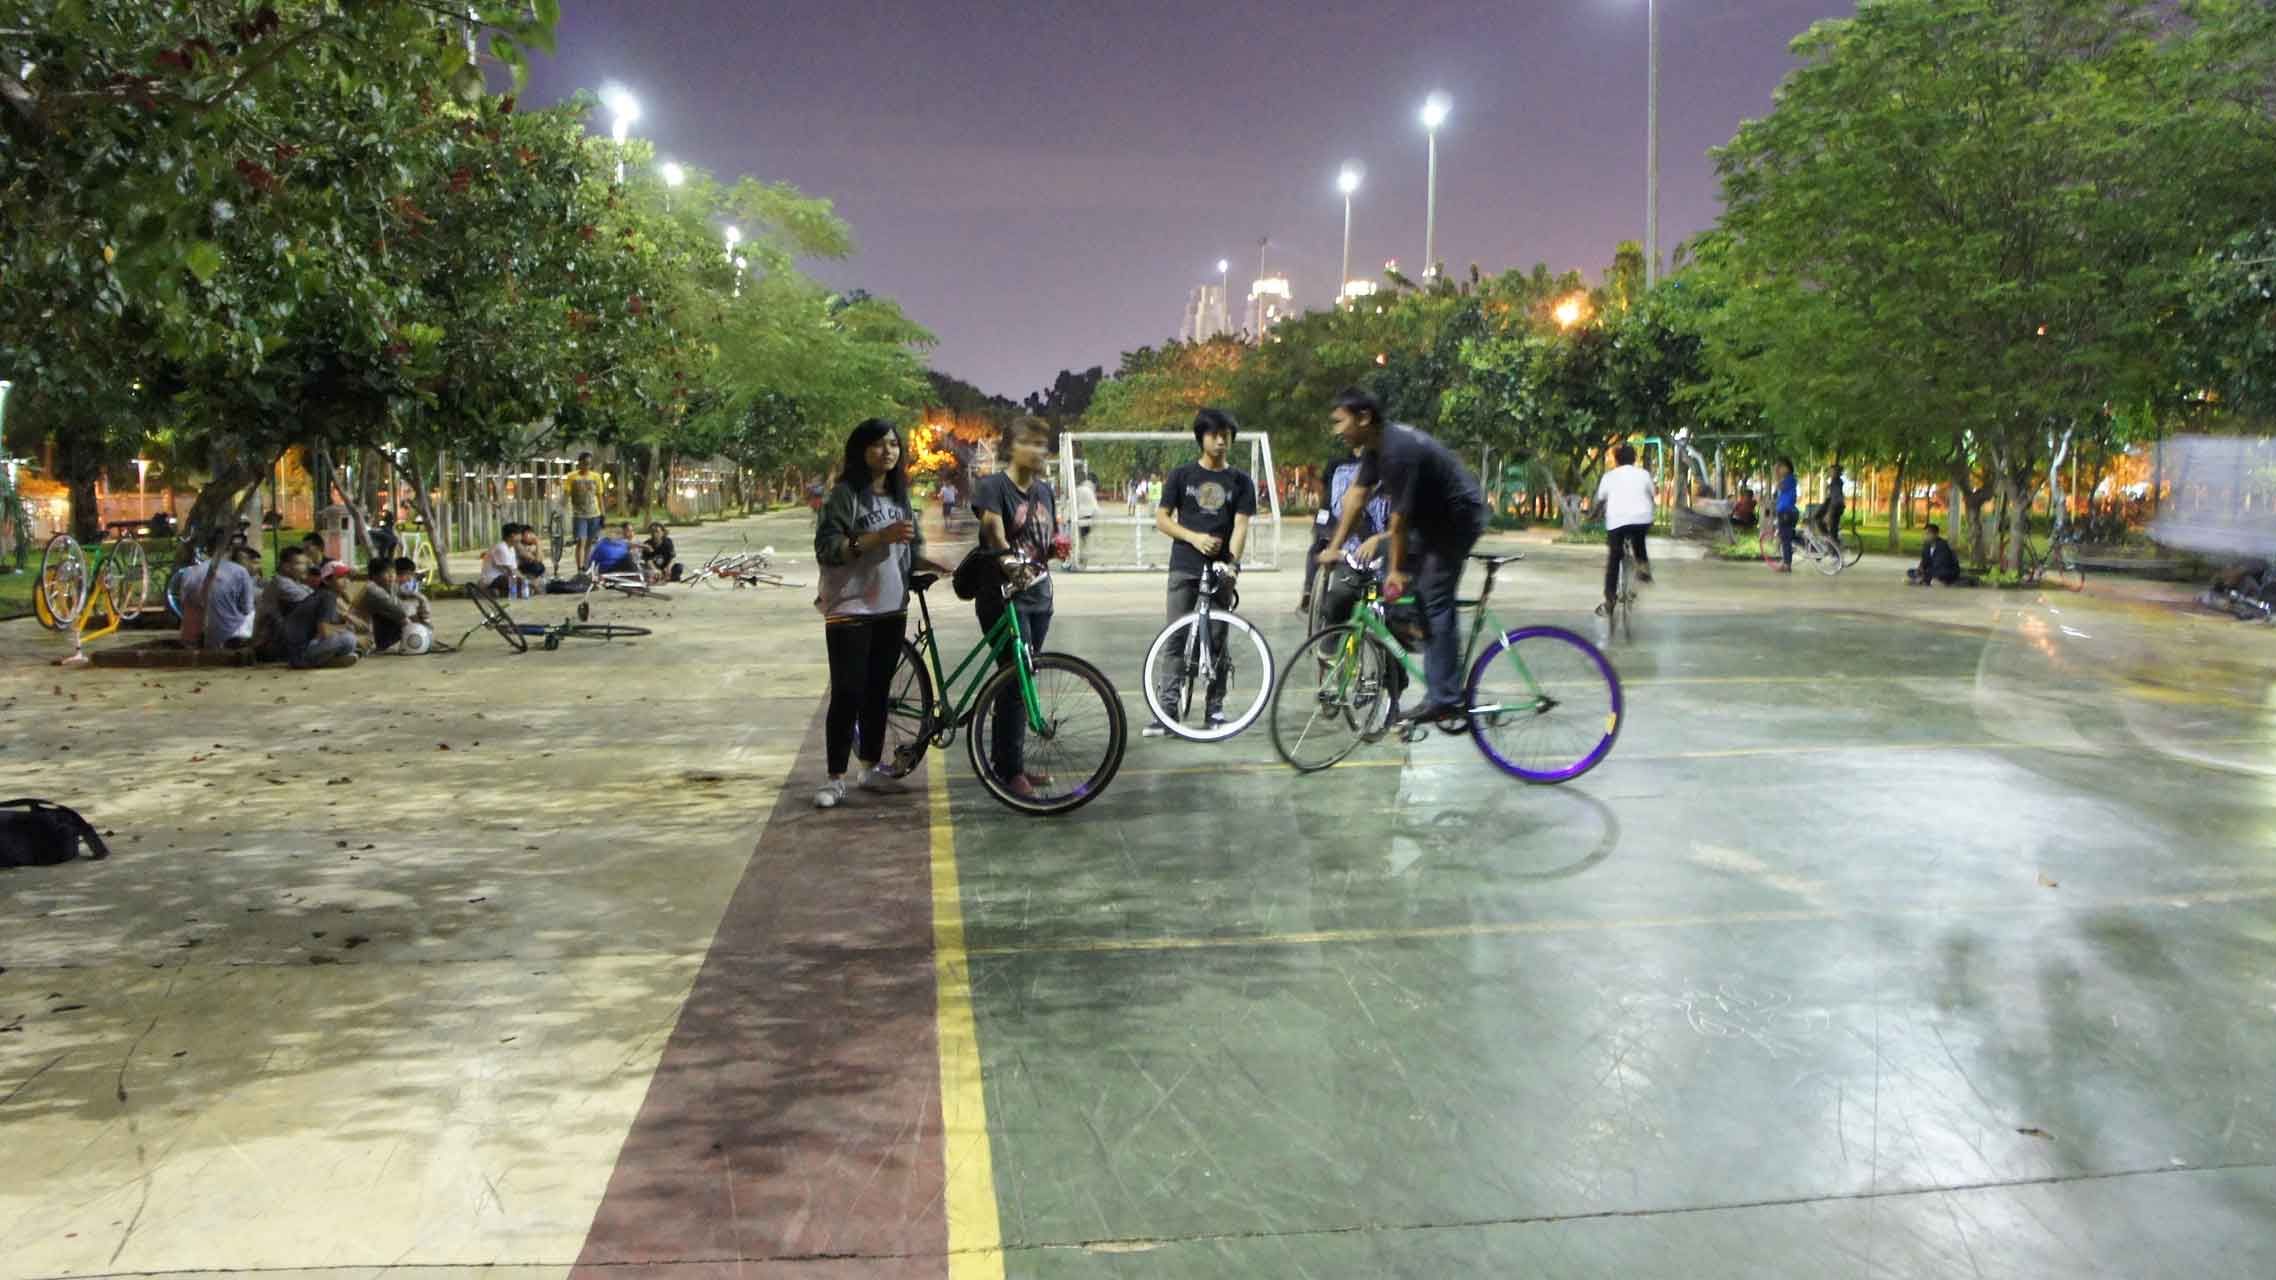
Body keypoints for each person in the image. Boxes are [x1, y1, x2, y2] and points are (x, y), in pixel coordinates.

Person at [1318, 387, 1489, 725]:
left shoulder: (1399, 451)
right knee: (1396, 593)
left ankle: (1446, 697)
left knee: (1434, 596)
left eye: (1340, 422)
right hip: (1431, 522)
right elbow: (1355, 498)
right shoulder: (1375, 449)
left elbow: (1399, 521)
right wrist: (1333, 547)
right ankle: (1418, 635)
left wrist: (1396, 570)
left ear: (1364, 418)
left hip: (1457, 519)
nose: (1336, 431)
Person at [812, 419, 958, 809]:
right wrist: (879, 537)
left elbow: (904, 550)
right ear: (861, 450)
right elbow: (827, 547)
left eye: (893, 444)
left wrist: (933, 563)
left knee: (878, 691)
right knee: (847, 692)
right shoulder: (845, 495)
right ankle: (834, 778)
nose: (887, 451)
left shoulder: (899, 496)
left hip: (891, 608)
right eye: (878, 445)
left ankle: (869, 767)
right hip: (850, 607)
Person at [1146, 408, 1256, 735]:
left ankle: (1215, 708)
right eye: (1214, 435)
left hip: (1220, 570)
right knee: (1175, 638)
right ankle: (1167, 714)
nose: (1221, 441)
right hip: (1184, 566)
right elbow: (1163, 519)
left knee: (1218, 640)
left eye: (1226, 435)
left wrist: (1232, 563)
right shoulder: (1181, 476)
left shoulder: (1240, 481)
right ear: (1201, 438)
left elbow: (1241, 525)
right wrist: (1194, 538)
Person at [970, 417, 1060, 798]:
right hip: (1002, 598)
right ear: (1011, 447)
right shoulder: (993, 487)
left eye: (1044, 444)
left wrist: (1057, 547)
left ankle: (1007, 764)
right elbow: (996, 534)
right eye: (1032, 443)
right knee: (1014, 675)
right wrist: (1013, 563)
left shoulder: (1045, 492)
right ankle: (1012, 771)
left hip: (1039, 598)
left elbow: (1045, 540)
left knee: (1021, 680)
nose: (1040, 451)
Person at [1592, 443, 1657, 617]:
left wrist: (1594, 515)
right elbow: (1652, 494)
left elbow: (1600, 500)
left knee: (1614, 558)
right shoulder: (1643, 474)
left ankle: (1610, 599)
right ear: (1635, 459)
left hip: (1617, 521)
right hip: (1641, 518)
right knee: (1639, 543)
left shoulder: (1609, 476)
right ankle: (1643, 568)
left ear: (1617, 460)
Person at [283, 562, 361, 669]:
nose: (345, 581)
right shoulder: (328, 596)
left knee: (348, 637)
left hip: (296, 653)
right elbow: (324, 631)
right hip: (300, 655)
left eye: (346, 577)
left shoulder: (322, 595)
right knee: (349, 638)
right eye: (340, 578)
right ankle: (319, 661)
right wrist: (345, 628)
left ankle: (328, 660)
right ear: (326, 580)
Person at [252, 546, 313, 662]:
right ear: (286, 566)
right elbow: (315, 603)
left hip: (282, 641)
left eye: (306, 564)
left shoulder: (298, 584)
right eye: (300, 564)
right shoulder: (282, 584)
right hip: (271, 645)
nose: (306, 568)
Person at [199, 542, 262, 650]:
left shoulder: (199, 570)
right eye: (245, 560)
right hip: (231, 631)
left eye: (254, 562)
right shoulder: (238, 575)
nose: (249, 564)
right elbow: (247, 608)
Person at [354, 557, 412, 651]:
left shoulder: (387, 586)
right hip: (362, 631)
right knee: (403, 618)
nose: (391, 576)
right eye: (387, 573)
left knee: (406, 618)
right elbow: (400, 611)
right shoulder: (372, 589)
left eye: (393, 572)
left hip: (369, 629)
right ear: (374, 576)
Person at [564, 452, 606, 573]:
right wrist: (562, 508)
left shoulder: (596, 477)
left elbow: (599, 496)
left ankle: (586, 565)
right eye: (584, 463)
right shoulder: (572, 477)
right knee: (580, 541)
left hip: (594, 513)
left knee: (589, 542)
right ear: (580, 463)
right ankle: (580, 567)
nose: (587, 466)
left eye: (589, 463)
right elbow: (566, 494)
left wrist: (603, 514)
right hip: (579, 514)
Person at [1772, 459, 1800, 573]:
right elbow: (1777, 494)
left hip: (1787, 512)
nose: (1779, 469)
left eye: (1782, 467)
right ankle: (1811, 547)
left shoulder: (1790, 479)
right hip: (1785, 512)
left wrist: (1776, 474)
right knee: (1788, 537)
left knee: (1786, 540)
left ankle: (1786, 565)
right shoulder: (1787, 480)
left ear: (1788, 468)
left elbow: (1780, 486)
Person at [480, 523, 522, 597]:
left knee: (523, 583)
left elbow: (515, 569)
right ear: (513, 535)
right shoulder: (501, 548)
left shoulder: (511, 548)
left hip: (502, 578)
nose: (521, 537)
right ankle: (487, 591)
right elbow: (510, 570)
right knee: (520, 582)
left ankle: (499, 593)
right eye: (519, 534)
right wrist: (526, 580)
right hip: (492, 579)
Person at [393, 556, 433, 626]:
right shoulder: (391, 587)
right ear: (399, 573)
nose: (409, 579)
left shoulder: (398, 586)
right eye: (408, 575)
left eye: (411, 575)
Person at [1820, 464, 1847, 550]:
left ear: (1836, 473)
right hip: (1838, 506)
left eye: (1831, 471)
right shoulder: (1836, 482)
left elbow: (1835, 499)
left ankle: (1832, 545)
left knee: (1819, 521)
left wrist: (1829, 513)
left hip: (1835, 507)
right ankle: (1832, 543)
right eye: (1830, 471)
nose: (1830, 472)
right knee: (1833, 528)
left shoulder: (1835, 483)